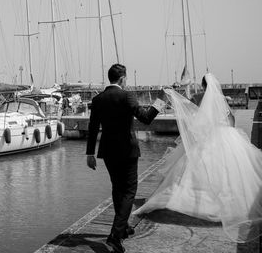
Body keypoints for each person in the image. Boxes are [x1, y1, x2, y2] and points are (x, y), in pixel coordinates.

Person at [134, 73, 262, 243]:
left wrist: (167, 95)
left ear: (203, 86)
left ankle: (195, 203)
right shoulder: (221, 100)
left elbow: (194, 122)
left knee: (194, 173)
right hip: (226, 137)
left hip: (208, 140)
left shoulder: (197, 97)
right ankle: (229, 205)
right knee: (229, 173)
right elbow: (231, 120)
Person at [86, 63, 163, 253]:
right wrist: (160, 103)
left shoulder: (98, 99)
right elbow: (145, 118)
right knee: (129, 191)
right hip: (128, 150)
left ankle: (125, 226)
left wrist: (90, 153)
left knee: (117, 189)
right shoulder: (127, 96)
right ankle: (115, 235)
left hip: (108, 152)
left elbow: (93, 128)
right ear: (122, 79)